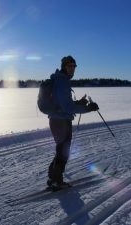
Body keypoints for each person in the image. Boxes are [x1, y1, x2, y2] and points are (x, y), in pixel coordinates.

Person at [47, 55, 99, 191]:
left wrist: (79, 103)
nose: (72, 69)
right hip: (61, 121)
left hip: (57, 119)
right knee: (63, 151)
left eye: (74, 66)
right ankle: (56, 181)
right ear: (64, 66)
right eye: (69, 66)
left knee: (61, 149)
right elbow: (68, 107)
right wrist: (88, 108)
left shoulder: (59, 79)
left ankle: (53, 177)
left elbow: (64, 104)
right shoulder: (62, 81)